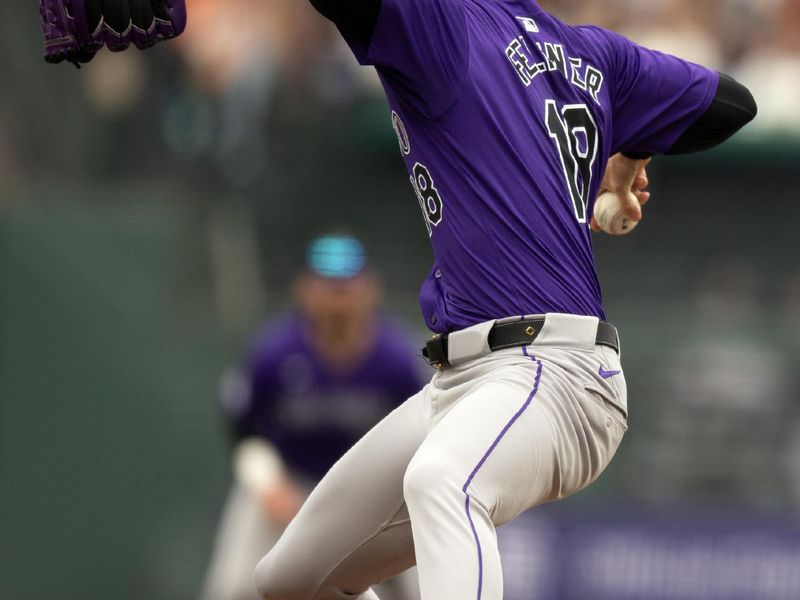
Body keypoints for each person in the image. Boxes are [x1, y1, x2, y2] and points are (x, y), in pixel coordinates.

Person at [253, 2, 757, 599]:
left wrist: (629, 145)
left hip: (554, 372)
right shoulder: (590, 52)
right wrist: (631, 146)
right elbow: (729, 104)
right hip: (461, 384)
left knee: (444, 481)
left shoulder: (447, 23)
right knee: (286, 581)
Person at [200, 234, 425, 600]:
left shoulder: (397, 360)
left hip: (373, 492)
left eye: (347, 283)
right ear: (303, 289)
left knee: (427, 579)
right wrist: (267, 484)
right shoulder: (274, 354)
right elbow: (243, 431)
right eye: (326, 283)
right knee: (233, 585)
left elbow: (426, 436)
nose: (338, 294)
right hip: (290, 484)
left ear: (370, 289)